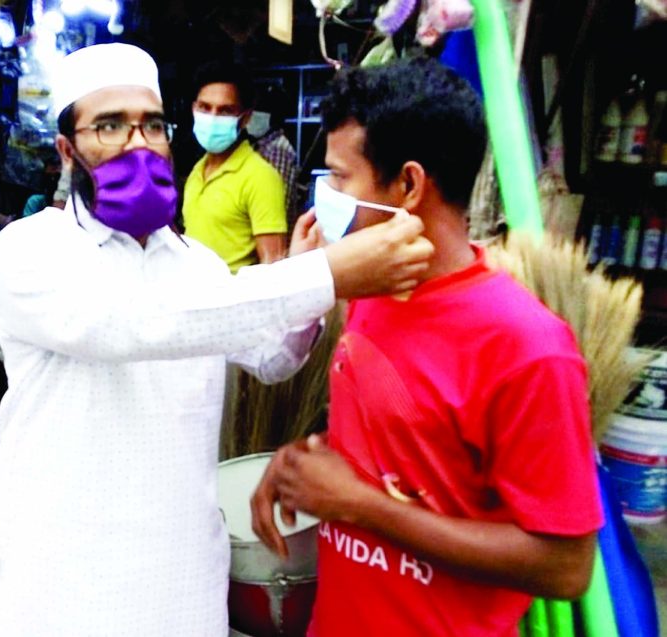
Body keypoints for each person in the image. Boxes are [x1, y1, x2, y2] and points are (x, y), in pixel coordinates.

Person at [0, 43, 433, 637]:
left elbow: (269, 359)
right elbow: (131, 323)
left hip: (175, 566)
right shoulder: (31, 250)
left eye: (151, 125)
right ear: (66, 149)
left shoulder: (196, 263)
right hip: (62, 568)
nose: (138, 143)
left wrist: (309, 297)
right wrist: (322, 275)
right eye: (109, 126)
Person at [250, 58, 603, 637]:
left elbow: (565, 567)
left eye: (340, 178)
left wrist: (363, 506)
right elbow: (400, 440)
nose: (324, 199)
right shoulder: (375, 292)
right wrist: (302, 463)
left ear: (409, 186)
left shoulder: (526, 347)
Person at [182, 61, 288, 272]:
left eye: (225, 111)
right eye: (205, 107)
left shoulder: (261, 177)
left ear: (245, 118)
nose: (212, 117)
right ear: (194, 109)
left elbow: (273, 267)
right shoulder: (197, 172)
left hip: (235, 302)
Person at [248, 83, 300, 226]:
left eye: (257, 112)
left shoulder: (278, 150)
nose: (251, 118)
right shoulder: (260, 146)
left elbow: (275, 201)